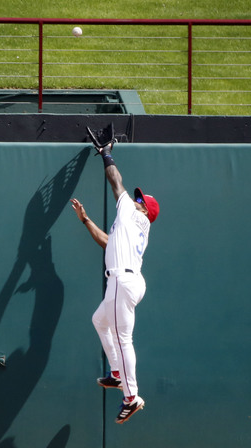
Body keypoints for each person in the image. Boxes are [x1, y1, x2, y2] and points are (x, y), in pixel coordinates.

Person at [70, 130, 159, 424]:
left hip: (123, 280)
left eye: (139, 199)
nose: (134, 199)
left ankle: (131, 397)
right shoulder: (133, 225)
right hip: (122, 281)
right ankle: (118, 374)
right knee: (100, 321)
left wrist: (106, 153)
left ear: (145, 209)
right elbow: (108, 242)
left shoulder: (134, 216)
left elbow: (115, 181)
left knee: (123, 338)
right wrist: (85, 221)